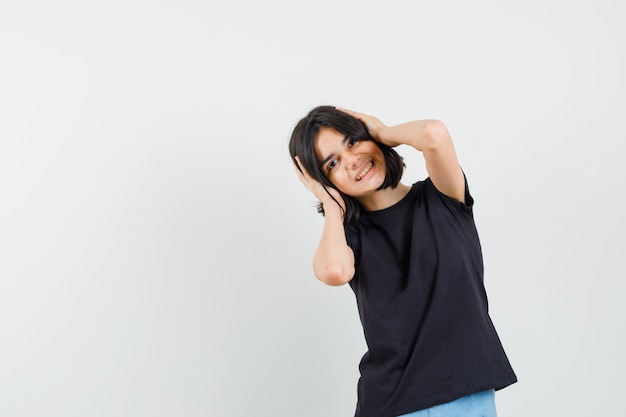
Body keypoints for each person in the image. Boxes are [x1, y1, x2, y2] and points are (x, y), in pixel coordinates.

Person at [289, 105, 517, 417]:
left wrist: (383, 132)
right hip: (394, 405)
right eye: (332, 163)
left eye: (352, 142)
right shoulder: (349, 236)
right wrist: (331, 206)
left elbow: (433, 134)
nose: (352, 160)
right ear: (326, 181)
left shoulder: (442, 198)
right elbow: (333, 271)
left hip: (468, 396)